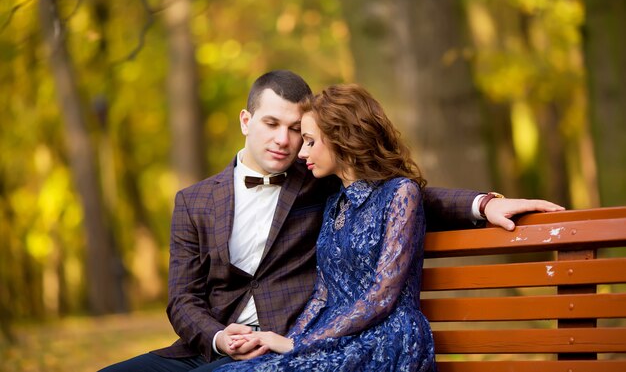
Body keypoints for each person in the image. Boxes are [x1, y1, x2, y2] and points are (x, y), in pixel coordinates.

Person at [99, 70, 563, 372]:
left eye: (297, 130)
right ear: (246, 120)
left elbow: (397, 191)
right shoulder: (193, 201)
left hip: (291, 341)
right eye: (271, 124)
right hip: (210, 347)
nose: (286, 141)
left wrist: (482, 205)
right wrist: (219, 337)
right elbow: (181, 300)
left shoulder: (318, 178)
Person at [215, 83, 435, 371]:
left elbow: (382, 297)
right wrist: (287, 341)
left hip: (385, 338)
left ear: (341, 138)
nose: (302, 153)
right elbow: (321, 296)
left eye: (310, 141)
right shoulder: (334, 203)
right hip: (334, 338)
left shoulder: (400, 193)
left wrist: (300, 345)